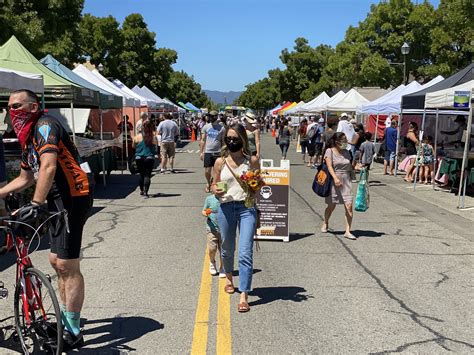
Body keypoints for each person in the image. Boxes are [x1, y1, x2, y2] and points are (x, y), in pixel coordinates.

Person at [0, 89, 93, 348]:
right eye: (9, 107)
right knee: (55, 260)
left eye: (17, 105)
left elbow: (49, 166)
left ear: (32, 107)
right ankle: (65, 317)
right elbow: (26, 177)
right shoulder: (27, 136)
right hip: (55, 197)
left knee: (66, 264)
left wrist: (35, 203)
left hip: (73, 195)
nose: (11, 111)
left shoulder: (45, 125)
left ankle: (73, 331)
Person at [211, 123, 259, 313]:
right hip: (225, 207)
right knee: (227, 248)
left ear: (243, 140)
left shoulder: (252, 161)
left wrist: (253, 189)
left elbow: (259, 185)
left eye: (235, 139)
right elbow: (214, 185)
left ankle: (244, 294)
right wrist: (215, 190)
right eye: (228, 139)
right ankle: (229, 277)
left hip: (246, 208)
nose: (231, 142)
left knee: (245, 251)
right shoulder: (220, 162)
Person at [321, 132, 356, 240]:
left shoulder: (347, 152)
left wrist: (357, 167)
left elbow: (350, 166)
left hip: (346, 181)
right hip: (334, 181)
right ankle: (325, 222)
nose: (345, 142)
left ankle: (347, 231)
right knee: (331, 206)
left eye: (346, 140)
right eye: (343, 140)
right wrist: (335, 178)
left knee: (349, 205)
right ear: (336, 141)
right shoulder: (329, 151)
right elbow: (329, 166)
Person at [200, 111, 225, 192]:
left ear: (215, 117)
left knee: (217, 170)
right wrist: (201, 152)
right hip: (208, 152)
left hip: (218, 152)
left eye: (211, 116)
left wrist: (224, 152)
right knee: (207, 170)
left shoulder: (221, 128)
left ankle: (214, 184)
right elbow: (203, 140)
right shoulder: (206, 127)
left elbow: (223, 142)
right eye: (209, 116)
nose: (210, 118)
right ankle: (208, 182)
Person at [202, 194, 225, 277]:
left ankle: (223, 267)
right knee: (212, 248)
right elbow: (204, 210)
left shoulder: (227, 198)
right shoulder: (209, 199)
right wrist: (206, 213)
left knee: (223, 250)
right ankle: (212, 262)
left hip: (224, 229)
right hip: (212, 229)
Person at [133, 120, 157, 197]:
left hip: (139, 157)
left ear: (142, 127)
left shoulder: (137, 136)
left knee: (141, 174)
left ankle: (141, 190)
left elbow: (133, 146)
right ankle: (146, 191)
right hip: (149, 157)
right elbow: (156, 148)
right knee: (147, 175)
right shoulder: (153, 137)